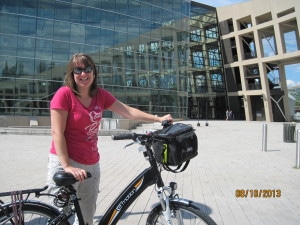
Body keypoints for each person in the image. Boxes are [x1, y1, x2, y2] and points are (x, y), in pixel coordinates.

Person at [46, 53, 173, 225]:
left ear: (94, 72)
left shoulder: (100, 95)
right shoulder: (64, 94)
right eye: (78, 70)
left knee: (87, 217)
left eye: (88, 69)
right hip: (66, 162)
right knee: (59, 215)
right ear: (72, 73)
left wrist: (158, 119)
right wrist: (67, 166)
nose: (83, 74)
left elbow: (128, 111)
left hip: (91, 164)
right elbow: (57, 133)